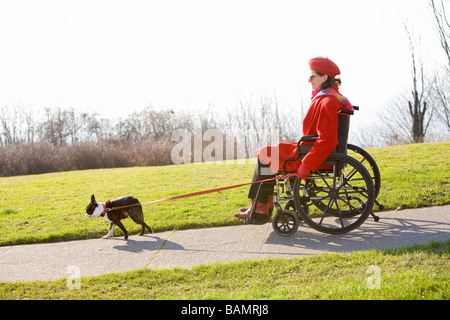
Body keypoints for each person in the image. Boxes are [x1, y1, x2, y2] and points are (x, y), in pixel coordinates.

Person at [234, 56, 353, 223]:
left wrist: (307, 165)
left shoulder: (327, 101)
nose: (309, 80)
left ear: (324, 77)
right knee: (267, 153)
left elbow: (327, 140)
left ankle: (260, 207)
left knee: (266, 155)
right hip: (309, 148)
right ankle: (259, 205)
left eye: (313, 76)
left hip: (310, 154)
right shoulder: (333, 97)